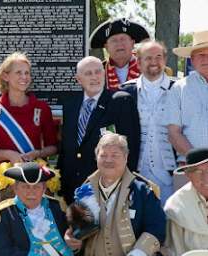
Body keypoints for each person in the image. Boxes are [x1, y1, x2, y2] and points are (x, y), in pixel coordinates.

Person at [65, 133, 170, 256]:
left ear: (126, 157)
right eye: (103, 155)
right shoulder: (85, 191)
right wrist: (73, 240)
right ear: (96, 157)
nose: (108, 160)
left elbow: (157, 229)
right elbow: (78, 236)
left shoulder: (142, 191)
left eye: (115, 155)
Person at [58, 56, 139, 204]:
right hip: (72, 189)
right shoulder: (70, 104)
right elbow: (67, 147)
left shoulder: (120, 101)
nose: (94, 77)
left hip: (107, 187)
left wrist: (125, 186)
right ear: (78, 79)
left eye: (98, 72)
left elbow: (131, 148)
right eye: (88, 73)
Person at [118, 40, 177, 205]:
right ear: (138, 62)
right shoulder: (125, 91)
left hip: (170, 173)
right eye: (148, 57)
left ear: (165, 60)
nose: (153, 62)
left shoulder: (178, 89)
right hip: (136, 171)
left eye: (158, 57)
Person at [0, 52, 57, 167]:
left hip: (35, 175)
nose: (24, 77)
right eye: (18, 72)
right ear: (5, 76)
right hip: (5, 177)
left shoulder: (42, 108)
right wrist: (8, 154)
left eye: (27, 73)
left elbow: (53, 147)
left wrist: (38, 153)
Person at [164, 148, 208, 256]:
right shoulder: (176, 206)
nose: (206, 178)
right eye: (198, 172)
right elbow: (175, 251)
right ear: (188, 175)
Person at [165, 31, 208, 166]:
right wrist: (199, 162)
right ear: (192, 59)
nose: (205, 59)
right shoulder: (179, 88)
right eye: (201, 55)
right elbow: (173, 133)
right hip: (191, 167)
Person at [89, 18, 150, 90]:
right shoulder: (96, 73)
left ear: (132, 43)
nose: (119, 44)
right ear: (106, 47)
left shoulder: (151, 68)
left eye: (123, 39)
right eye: (114, 40)